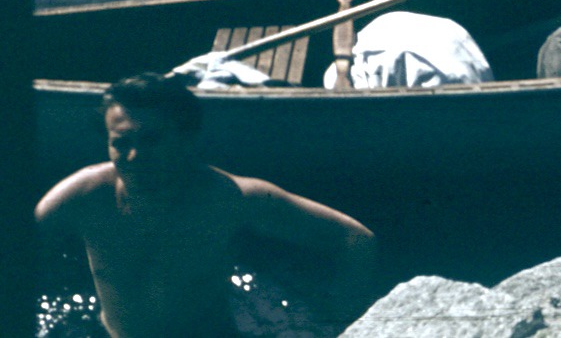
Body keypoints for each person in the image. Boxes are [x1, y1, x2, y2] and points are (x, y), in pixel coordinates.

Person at [35, 72, 377, 338]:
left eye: (152, 139)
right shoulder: (82, 198)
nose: (136, 157)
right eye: (121, 143)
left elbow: (355, 240)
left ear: (186, 137)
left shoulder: (230, 199)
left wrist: (340, 320)